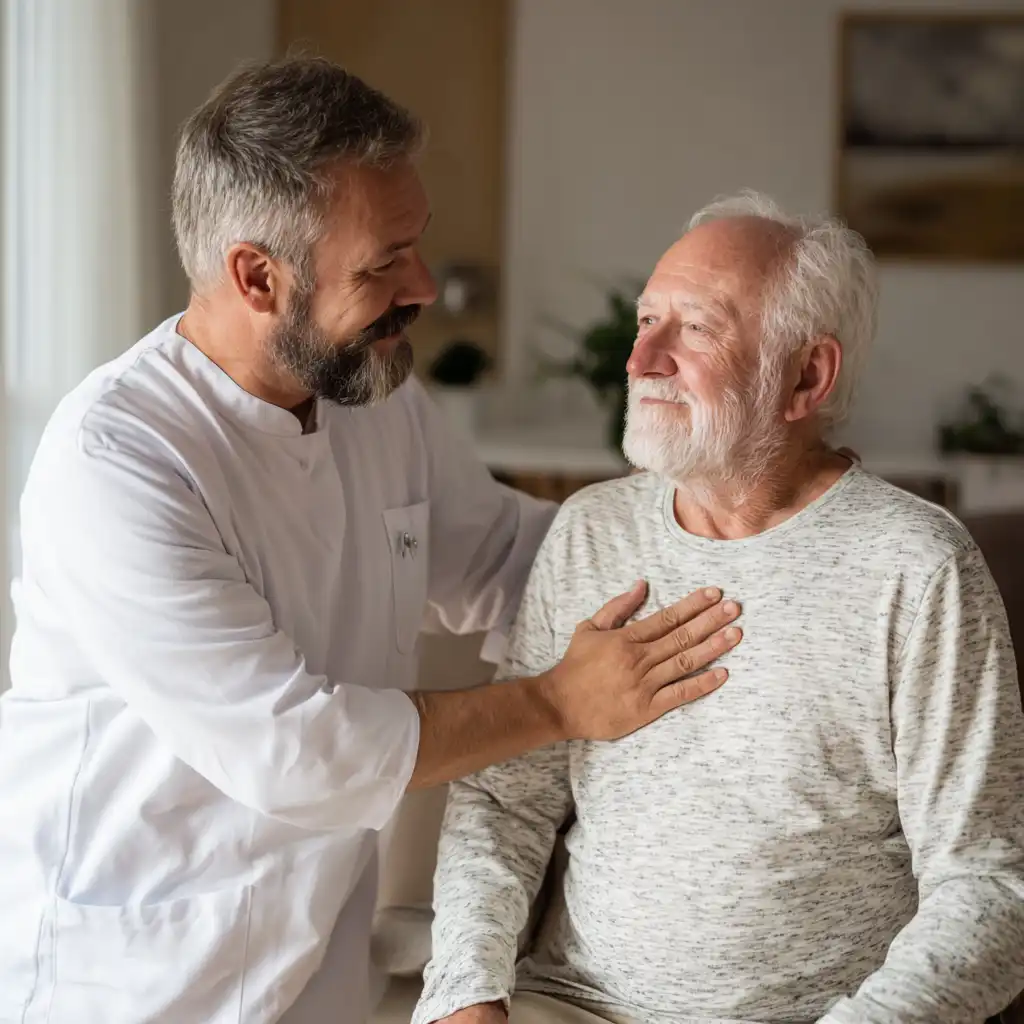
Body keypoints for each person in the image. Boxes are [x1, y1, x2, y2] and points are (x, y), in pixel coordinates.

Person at [0, 60, 744, 1024]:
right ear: (257, 276)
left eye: (417, 247)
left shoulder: (372, 397)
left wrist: (736, 555)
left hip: (318, 965)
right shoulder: (117, 457)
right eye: (382, 263)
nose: (424, 287)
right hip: (133, 977)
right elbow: (296, 750)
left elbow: (506, 560)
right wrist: (562, 701)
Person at [415, 193, 1024, 1024]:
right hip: (575, 1007)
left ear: (807, 376)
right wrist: (467, 993)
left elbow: (990, 885)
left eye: (695, 328)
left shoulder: (917, 569)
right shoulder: (592, 532)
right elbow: (504, 799)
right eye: (645, 321)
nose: (641, 359)